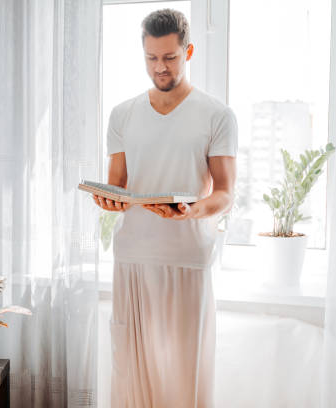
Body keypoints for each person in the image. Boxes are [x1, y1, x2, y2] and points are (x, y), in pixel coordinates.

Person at [92, 8, 237, 408]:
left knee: (183, 378)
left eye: (170, 57)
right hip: (133, 258)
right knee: (132, 378)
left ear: (188, 51)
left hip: (187, 259)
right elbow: (117, 185)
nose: (160, 67)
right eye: (151, 58)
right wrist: (106, 198)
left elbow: (225, 193)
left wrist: (193, 210)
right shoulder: (122, 114)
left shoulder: (217, 115)